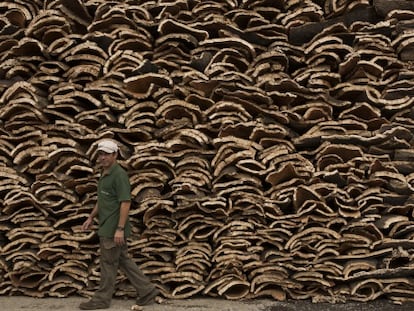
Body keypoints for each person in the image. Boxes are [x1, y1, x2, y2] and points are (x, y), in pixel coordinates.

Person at [79, 139, 160, 310]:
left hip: (112, 228)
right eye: (101, 154)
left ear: (115, 155)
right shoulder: (105, 173)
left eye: (107, 154)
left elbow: (125, 202)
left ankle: (101, 299)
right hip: (106, 225)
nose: (103, 157)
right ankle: (147, 290)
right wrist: (91, 217)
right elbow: (103, 199)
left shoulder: (119, 175)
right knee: (123, 260)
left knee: (108, 264)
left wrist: (120, 229)